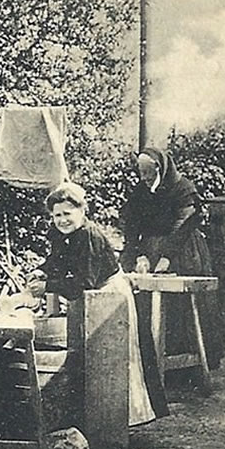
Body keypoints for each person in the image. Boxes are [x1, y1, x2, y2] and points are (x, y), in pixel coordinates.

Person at [26, 182, 155, 426]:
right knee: (92, 357)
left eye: (67, 213)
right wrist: (41, 271)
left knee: (115, 359)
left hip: (110, 297)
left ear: (82, 211)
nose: (62, 220)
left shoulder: (88, 235)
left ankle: (123, 418)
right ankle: (96, 416)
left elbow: (84, 281)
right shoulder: (65, 234)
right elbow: (56, 260)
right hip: (94, 298)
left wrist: (47, 287)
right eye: (56, 216)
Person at [121, 147, 225, 371]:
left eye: (149, 174)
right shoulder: (141, 190)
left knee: (181, 305)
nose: (145, 179)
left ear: (160, 168)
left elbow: (183, 226)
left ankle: (188, 366)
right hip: (149, 250)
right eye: (141, 174)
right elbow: (131, 224)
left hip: (183, 250)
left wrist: (166, 257)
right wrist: (139, 254)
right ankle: (153, 363)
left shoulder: (183, 189)